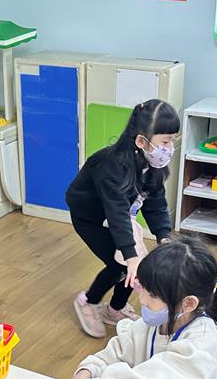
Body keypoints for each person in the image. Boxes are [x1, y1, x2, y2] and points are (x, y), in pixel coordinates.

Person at [53, 236, 217, 379]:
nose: (142, 299)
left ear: (188, 304)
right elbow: (117, 352)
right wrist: (88, 371)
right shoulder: (152, 324)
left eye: (152, 295)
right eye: (143, 288)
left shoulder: (201, 344)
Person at [66, 99, 179, 338]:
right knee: (121, 264)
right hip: (91, 218)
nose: (169, 148)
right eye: (165, 141)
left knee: (136, 267)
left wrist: (164, 236)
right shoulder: (110, 165)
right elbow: (115, 211)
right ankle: (88, 301)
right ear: (141, 141)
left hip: (120, 216)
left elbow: (155, 202)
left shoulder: (152, 163)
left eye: (172, 140)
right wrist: (129, 254)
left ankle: (114, 309)